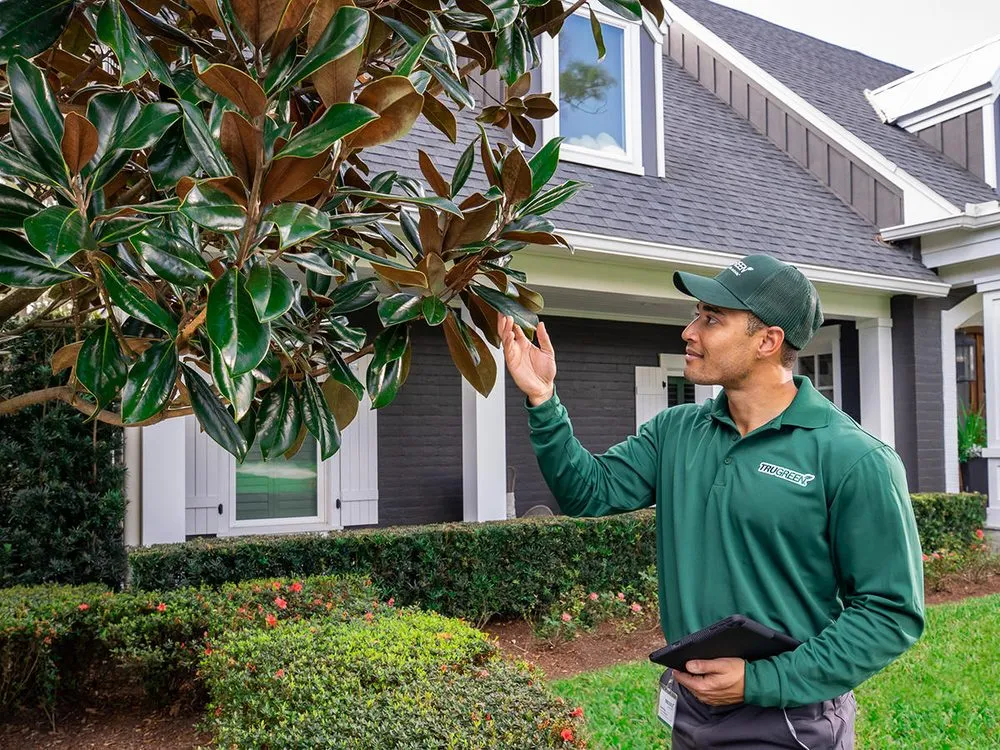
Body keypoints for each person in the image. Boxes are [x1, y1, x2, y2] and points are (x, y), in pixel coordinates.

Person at [498, 253, 925, 749]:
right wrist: (543, 399)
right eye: (697, 314)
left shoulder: (854, 458)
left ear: (768, 341)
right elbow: (589, 492)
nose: (689, 331)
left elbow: (890, 612)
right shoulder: (676, 431)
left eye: (712, 319)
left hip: (788, 720)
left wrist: (761, 681)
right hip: (692, 709)